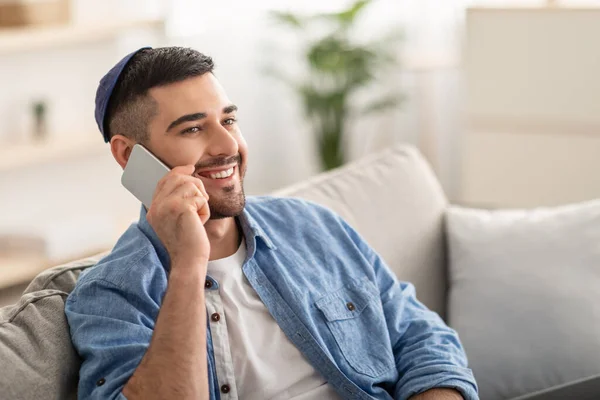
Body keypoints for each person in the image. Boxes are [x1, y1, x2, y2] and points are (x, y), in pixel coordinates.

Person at [65, 47, 478, 400]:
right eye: (193, 128)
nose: (229, 146)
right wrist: (189, 264)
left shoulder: (315, 227)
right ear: (129, 157)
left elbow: (420, 336)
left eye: (228, 121)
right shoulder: (111, 293)